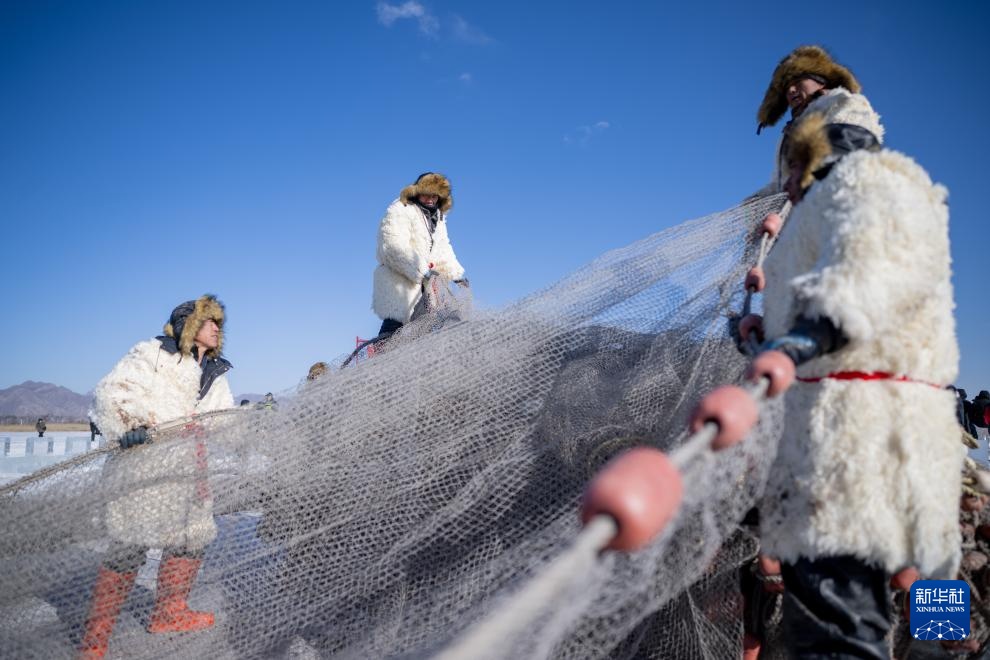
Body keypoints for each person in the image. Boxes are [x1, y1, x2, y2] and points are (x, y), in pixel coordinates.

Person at [749, 113, 961, 658]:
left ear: (814, 158)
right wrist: (761, 334)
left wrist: (794, 342)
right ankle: (945, 650)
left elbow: (855, 289)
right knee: (929, 570)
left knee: (836, 623)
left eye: (792, 167)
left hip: (851, 439)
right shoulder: (888, 196)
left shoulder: (853, 187)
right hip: (910, 431)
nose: (786, 184)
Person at [79, 294, 234, 659]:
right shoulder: (151, 354)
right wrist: (129, 424)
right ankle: (95, 640)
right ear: (189, 325)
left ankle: (169, 612)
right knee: (128, 549)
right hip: (143, 470)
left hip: (190, 476)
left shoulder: (216, 372)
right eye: (209, 321)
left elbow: (224, 423)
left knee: (191, 540)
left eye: (219, 324)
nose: (217, 328)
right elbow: (113, 392)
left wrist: (253, 418)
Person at [753, 45, 883, 196]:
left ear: (821, 81)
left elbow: (849, 153)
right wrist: (754, 205)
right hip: (800, 213)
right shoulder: (788, 132)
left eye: (797, 80)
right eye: (786, 88)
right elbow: (782, 183)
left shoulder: (843, 102)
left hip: (841, 200)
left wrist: (803, 182)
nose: (790, 90)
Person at [372, 172, 465, 338]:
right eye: (426, 194)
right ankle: (379, 360)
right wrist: (420, 270)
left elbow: (443, 248)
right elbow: (392, 246)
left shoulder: (438, 217)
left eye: (435, 195)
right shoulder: (401, 209)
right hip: (399, 281)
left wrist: (456, 275)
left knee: (424, 331)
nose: (430, 199)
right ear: (417, 192)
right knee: (394, 327)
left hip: (425, 285)